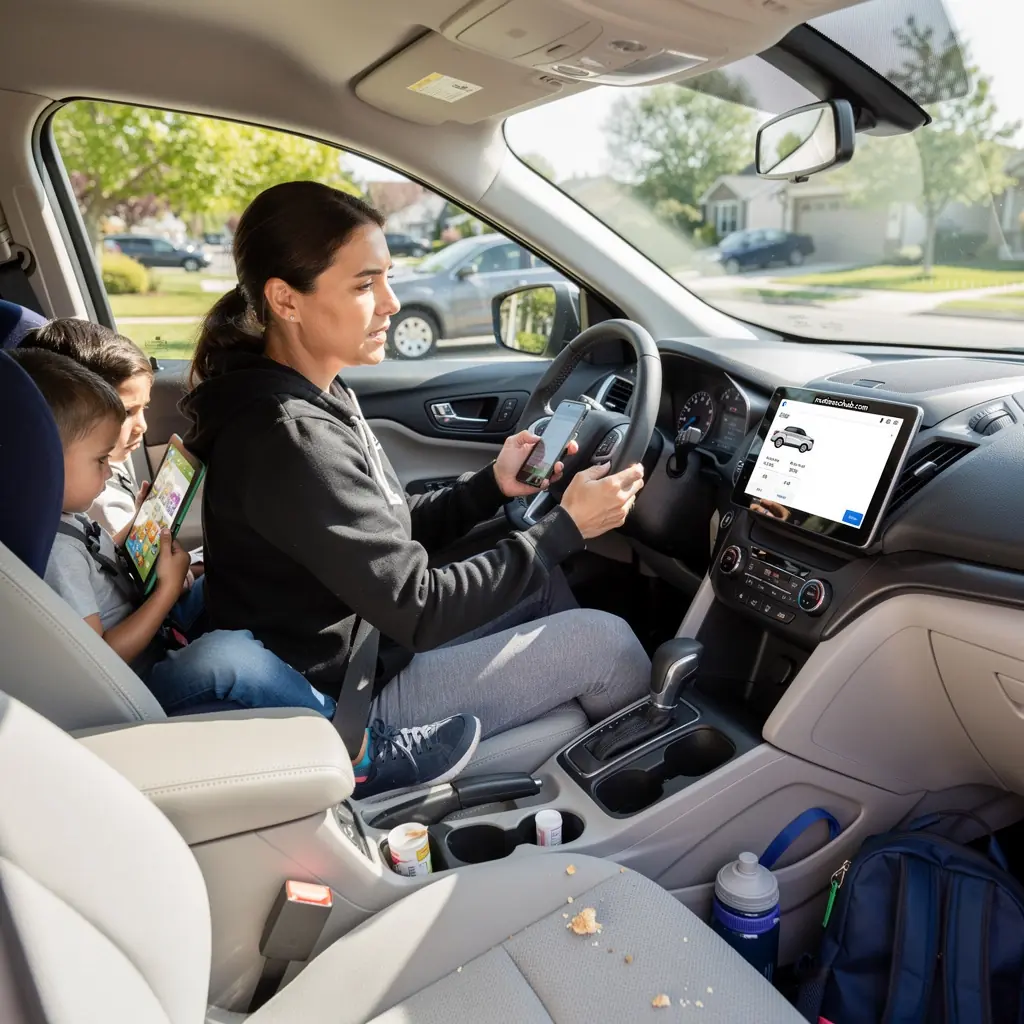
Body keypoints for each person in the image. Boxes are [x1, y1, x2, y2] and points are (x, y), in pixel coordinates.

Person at [182, 180, 652, 761]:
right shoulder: (289, 435)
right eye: (364, 284)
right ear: (285, 300)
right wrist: (567, 528)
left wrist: (490, 487)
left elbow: (385, 535)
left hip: (370, 642)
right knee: (608, 644)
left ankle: (566, 740)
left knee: (548, 585)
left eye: (388, 278)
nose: (391, 302)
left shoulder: (315, 394)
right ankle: (634, 786)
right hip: (353, 696)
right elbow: (418, 607)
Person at [13, 347, 479, 797]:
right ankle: (359, 752)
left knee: (223, 576)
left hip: (151, 633)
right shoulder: (57, 554)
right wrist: (165, 592)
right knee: (228, 654)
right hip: (133, 684)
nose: (107, 470)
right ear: (45, 461)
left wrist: (144, 533)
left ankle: (291, 673)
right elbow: (100, 656)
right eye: (98, 461)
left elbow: (103, 570)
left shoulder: (65, 519)